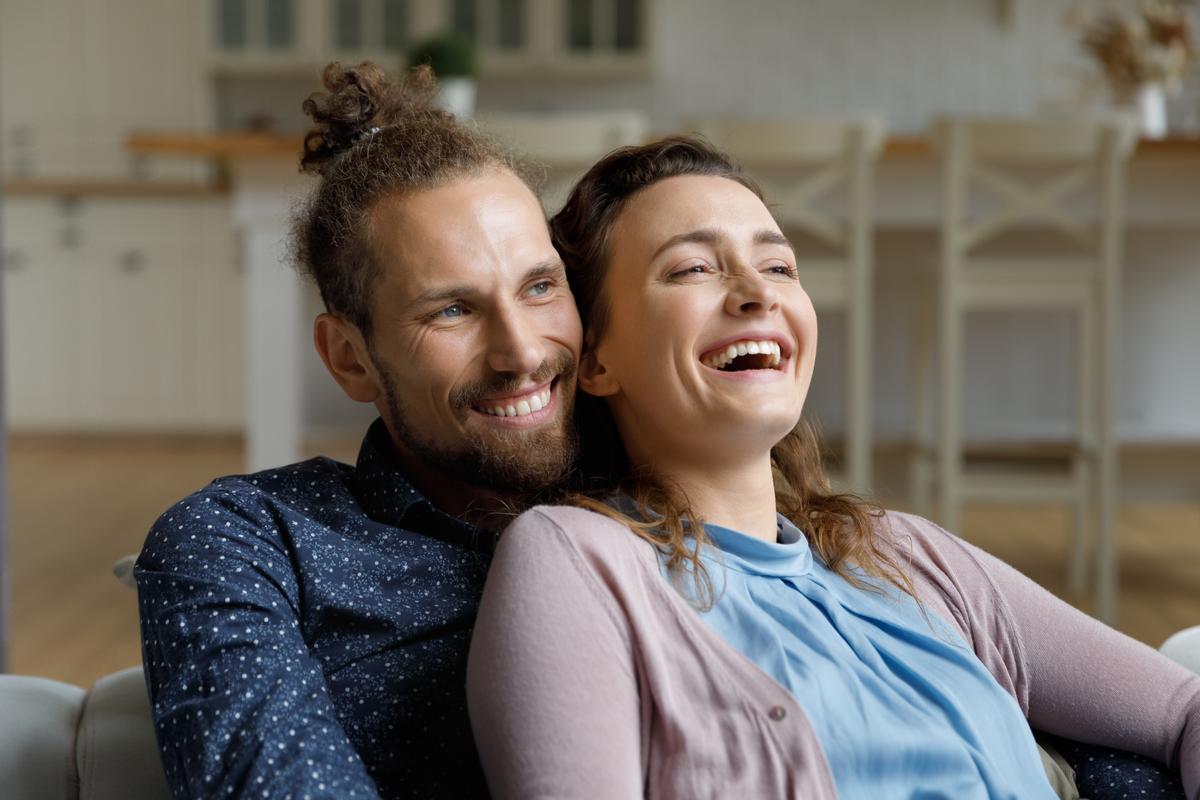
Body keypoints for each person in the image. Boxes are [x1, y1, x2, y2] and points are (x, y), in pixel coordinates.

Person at [465, 136, 1200, 799]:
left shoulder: (901, 554)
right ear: (595, 357)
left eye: (779, 264)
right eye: (692, 267)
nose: (758, 293)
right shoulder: (574, 560)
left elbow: (1183, 711)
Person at [135, 63, 581, 799]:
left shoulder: (655, 492)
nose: (524, 353)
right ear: (350, 358)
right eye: (452, 311)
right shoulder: (243, 541)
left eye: (540, 286)